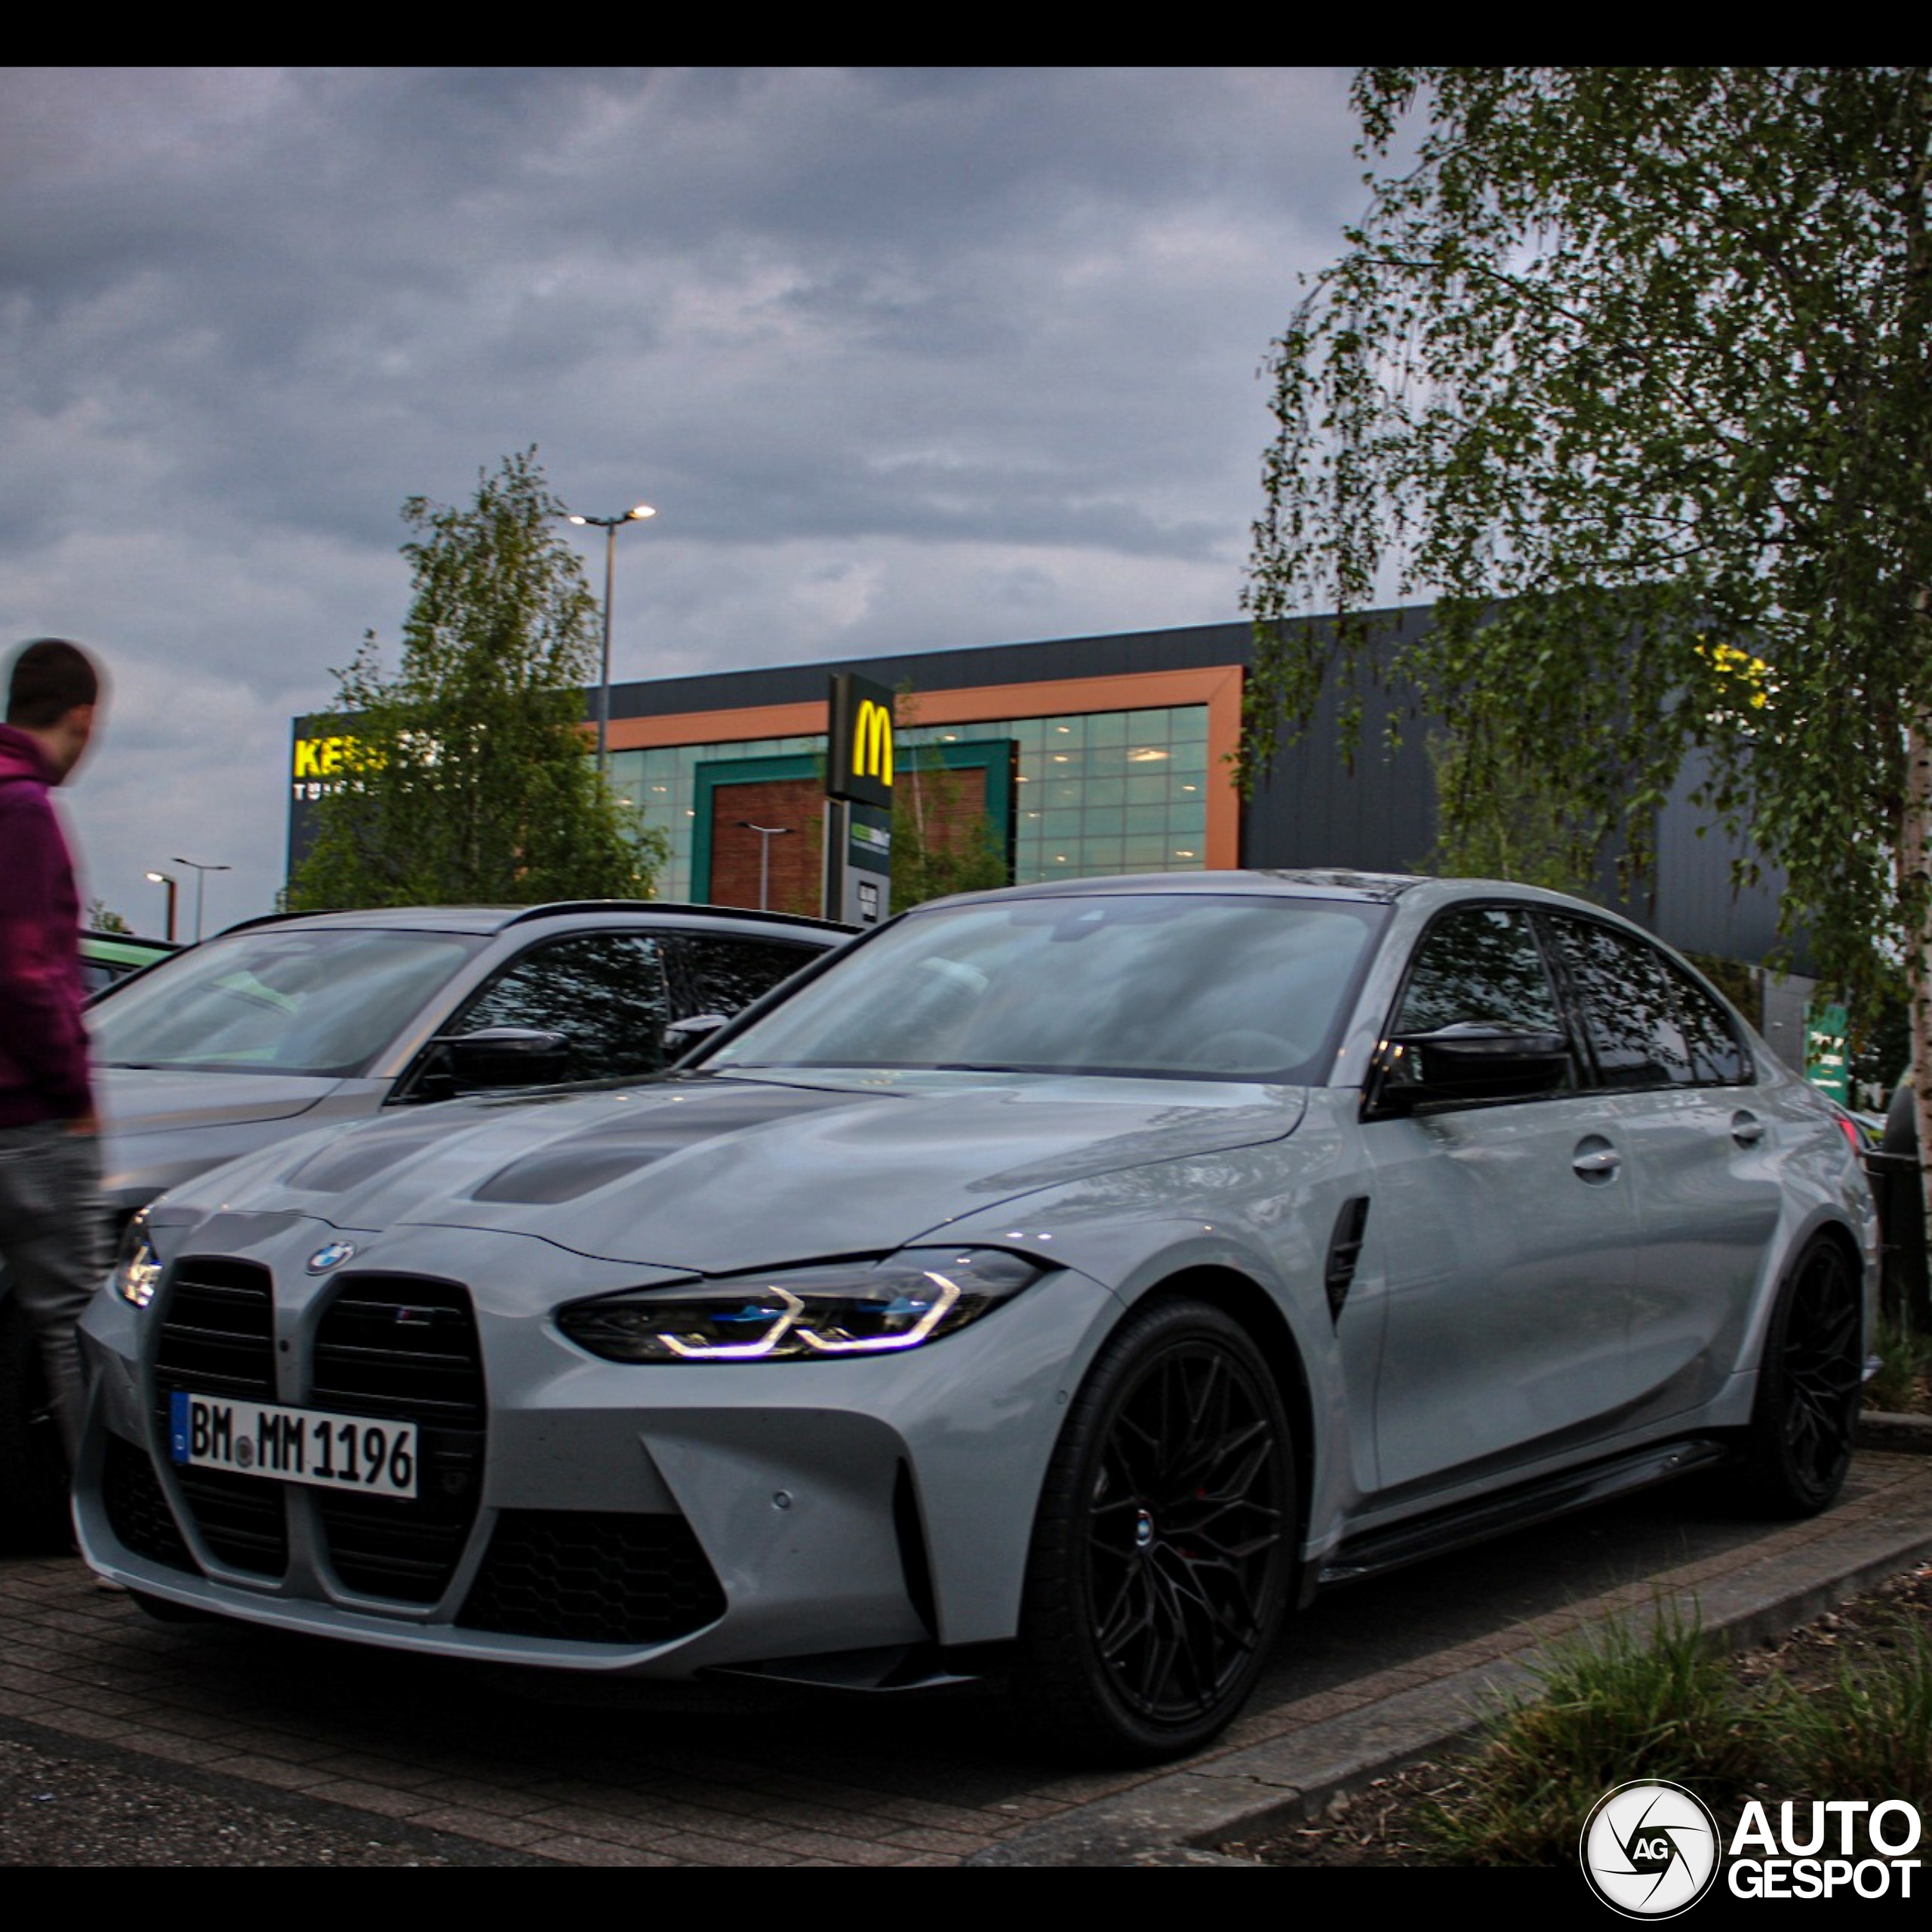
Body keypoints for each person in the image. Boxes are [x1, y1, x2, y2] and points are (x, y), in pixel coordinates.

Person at [0, 637, 107, 1490]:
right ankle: (108, 1523)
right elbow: (30, 968)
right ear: (82, 715)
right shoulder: (25, 809)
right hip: (30, 1113)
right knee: (74, 1320)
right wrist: (74, 1092)